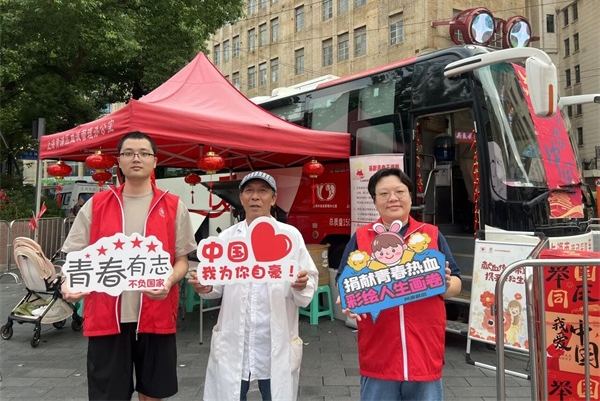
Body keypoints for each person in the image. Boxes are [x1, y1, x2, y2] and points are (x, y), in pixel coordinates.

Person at [61, 131, 197, 401]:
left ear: (155, 161)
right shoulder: (97, 204)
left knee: (153, 393)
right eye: (129, 153)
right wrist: (68, 282)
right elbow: (74, 255)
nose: (136, 158)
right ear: (119, 161)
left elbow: (182, 259)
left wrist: (170, 280)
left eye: (144, 153)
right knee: (108, 395)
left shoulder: (172, 206)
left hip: (156, 315)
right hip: (107, 317)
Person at [189, 171, 319, 401]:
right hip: (235, 340)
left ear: (274, 198)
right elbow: (216, 285)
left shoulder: (290, 236)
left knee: (274, 393)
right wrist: (206, 287)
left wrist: (301, 284)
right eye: (249, 191)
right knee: (232, 393)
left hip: (273, 339)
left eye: (262, 191)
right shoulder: (227, 239)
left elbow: (308, 278)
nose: (255, 197)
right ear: (241, 198)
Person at [336, 167, 462, 401]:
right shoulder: (362, 237)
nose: (392, 198)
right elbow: (344, 282)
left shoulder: (431, 234)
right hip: (379, 351)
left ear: (410, 197)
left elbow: (456, 281)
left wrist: (445, 284)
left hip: (424, 349)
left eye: (399, 191)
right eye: (384, 194)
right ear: (375, 201)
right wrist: (348, 301)